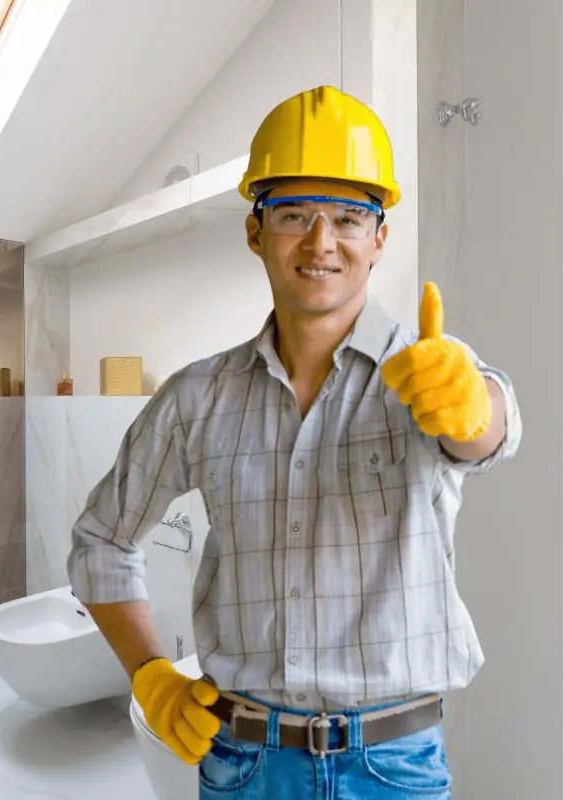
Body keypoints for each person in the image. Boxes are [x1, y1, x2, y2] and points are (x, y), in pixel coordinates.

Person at [67, 85, 522, 799]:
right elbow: (100, 539)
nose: (321, 241)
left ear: (379, 238)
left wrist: (474, 410)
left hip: (392, 766)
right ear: (255, 232)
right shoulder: (197, 398)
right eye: (293, 215)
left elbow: (490, 432)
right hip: (246, 762)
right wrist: (151, 674)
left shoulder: (429, 371)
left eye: (348, 216)